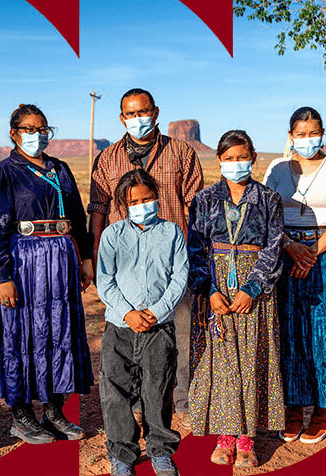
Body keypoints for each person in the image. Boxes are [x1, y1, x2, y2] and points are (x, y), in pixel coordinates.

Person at [0, 104, 93, 444]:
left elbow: (76, 217)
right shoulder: (1, 173)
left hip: (62, 261)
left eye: (43, 128)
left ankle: (55, 412)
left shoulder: (60, 168)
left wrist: (85, 257)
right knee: (20, 334)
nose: (37, 135)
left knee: (62, 332)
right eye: (29, 129)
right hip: (23, 264)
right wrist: (2, 274)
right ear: (13, 133)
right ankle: (22, 417)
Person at [88, 88, 203, 427]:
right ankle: (137, 400)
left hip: (171, 264)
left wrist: (195, 258)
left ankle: (180, 398)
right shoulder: (107, 158)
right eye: (131, 114)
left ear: (155, 112)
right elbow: (98, 208)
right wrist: (93, 254)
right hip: (123, 267)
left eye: (144, 112)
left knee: (179, 335)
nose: (138, 118)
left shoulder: (181, 152)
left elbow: (195, 207)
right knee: (128, 336)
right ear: (122, 118)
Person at [187, 130, 284, 467]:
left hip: (254, 290)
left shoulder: (269, 199)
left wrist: (252, 288)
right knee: (224, 361)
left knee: (254, 356)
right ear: (218, 161)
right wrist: (209, 290)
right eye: (228, 158)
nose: (235, 164)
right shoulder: (203, 200)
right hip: (216, 288)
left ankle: (247, 440)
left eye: (242, 157)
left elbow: (273, 248)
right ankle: (225, 435)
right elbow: (195, 250)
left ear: (253, 158)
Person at [263, 107, 326, 444]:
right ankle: (291, 408)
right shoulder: (276, 168)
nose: (308, 140)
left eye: (314, 133)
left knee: (322, 329)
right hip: (284, 254)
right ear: (290, 137)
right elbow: (265, 212)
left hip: (324, 255)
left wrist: (311, 252)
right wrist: (290, 246)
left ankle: (321, 410)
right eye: (300, 134)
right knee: (287, 329)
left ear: (323, 133)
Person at [97, 169, 187, 476]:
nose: (142, 204)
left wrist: (156, 312)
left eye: (148, 198)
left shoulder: (172, 233)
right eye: (134, 200)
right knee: (116, 393)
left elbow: (179, 277)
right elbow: (105, 281)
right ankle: (122, 456)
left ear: (158, 199)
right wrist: (128, 313)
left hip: (159, 328)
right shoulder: (112, 235)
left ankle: (160, 450)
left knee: (158, 389)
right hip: (119, 327)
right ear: (123, 205)